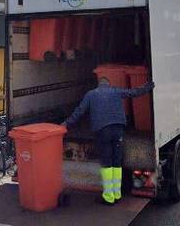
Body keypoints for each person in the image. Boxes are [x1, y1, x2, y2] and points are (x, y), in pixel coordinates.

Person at [61, 77, 154, 205]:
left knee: (107, 163)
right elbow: (133, 92)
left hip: (103, 131)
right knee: (116, 161)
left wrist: (66, 124)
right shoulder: (115, 91)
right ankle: (117, 193)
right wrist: (148, 86)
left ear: (99, 85)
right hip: (118, 130)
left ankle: (108, 197)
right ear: (109, 84)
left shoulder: (91, 94)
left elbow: (80, 111)